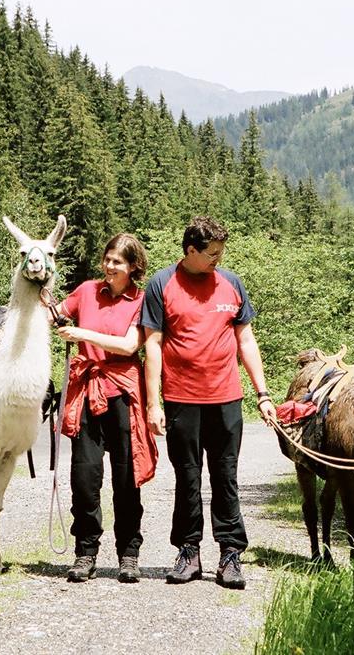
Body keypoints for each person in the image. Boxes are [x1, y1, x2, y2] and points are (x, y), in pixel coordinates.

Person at [141, 216, 278, 590]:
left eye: (220, 252)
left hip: (226, 398)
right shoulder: (162, 284)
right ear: (191, 251)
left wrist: (263, 394)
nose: (218, 259)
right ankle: (188, 552)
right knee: (187, 477)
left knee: (225, 476)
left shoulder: (231, 283)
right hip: (181, 399)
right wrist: (153, 404)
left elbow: (246, 341)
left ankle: (230, 554)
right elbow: (152, 345)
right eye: (212, 253)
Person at [55, 233, 158, 583]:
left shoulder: (142, 300)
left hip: (123, 392)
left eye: (118, 261)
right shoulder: (86, 291)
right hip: (87, 391)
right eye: (107, 259)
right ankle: (85, 552)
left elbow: (129, 346)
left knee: (126, 478)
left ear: (133, 266)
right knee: (84, 477)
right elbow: (54, 314)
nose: (110, 266)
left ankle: (128, 553)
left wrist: (81, 334)